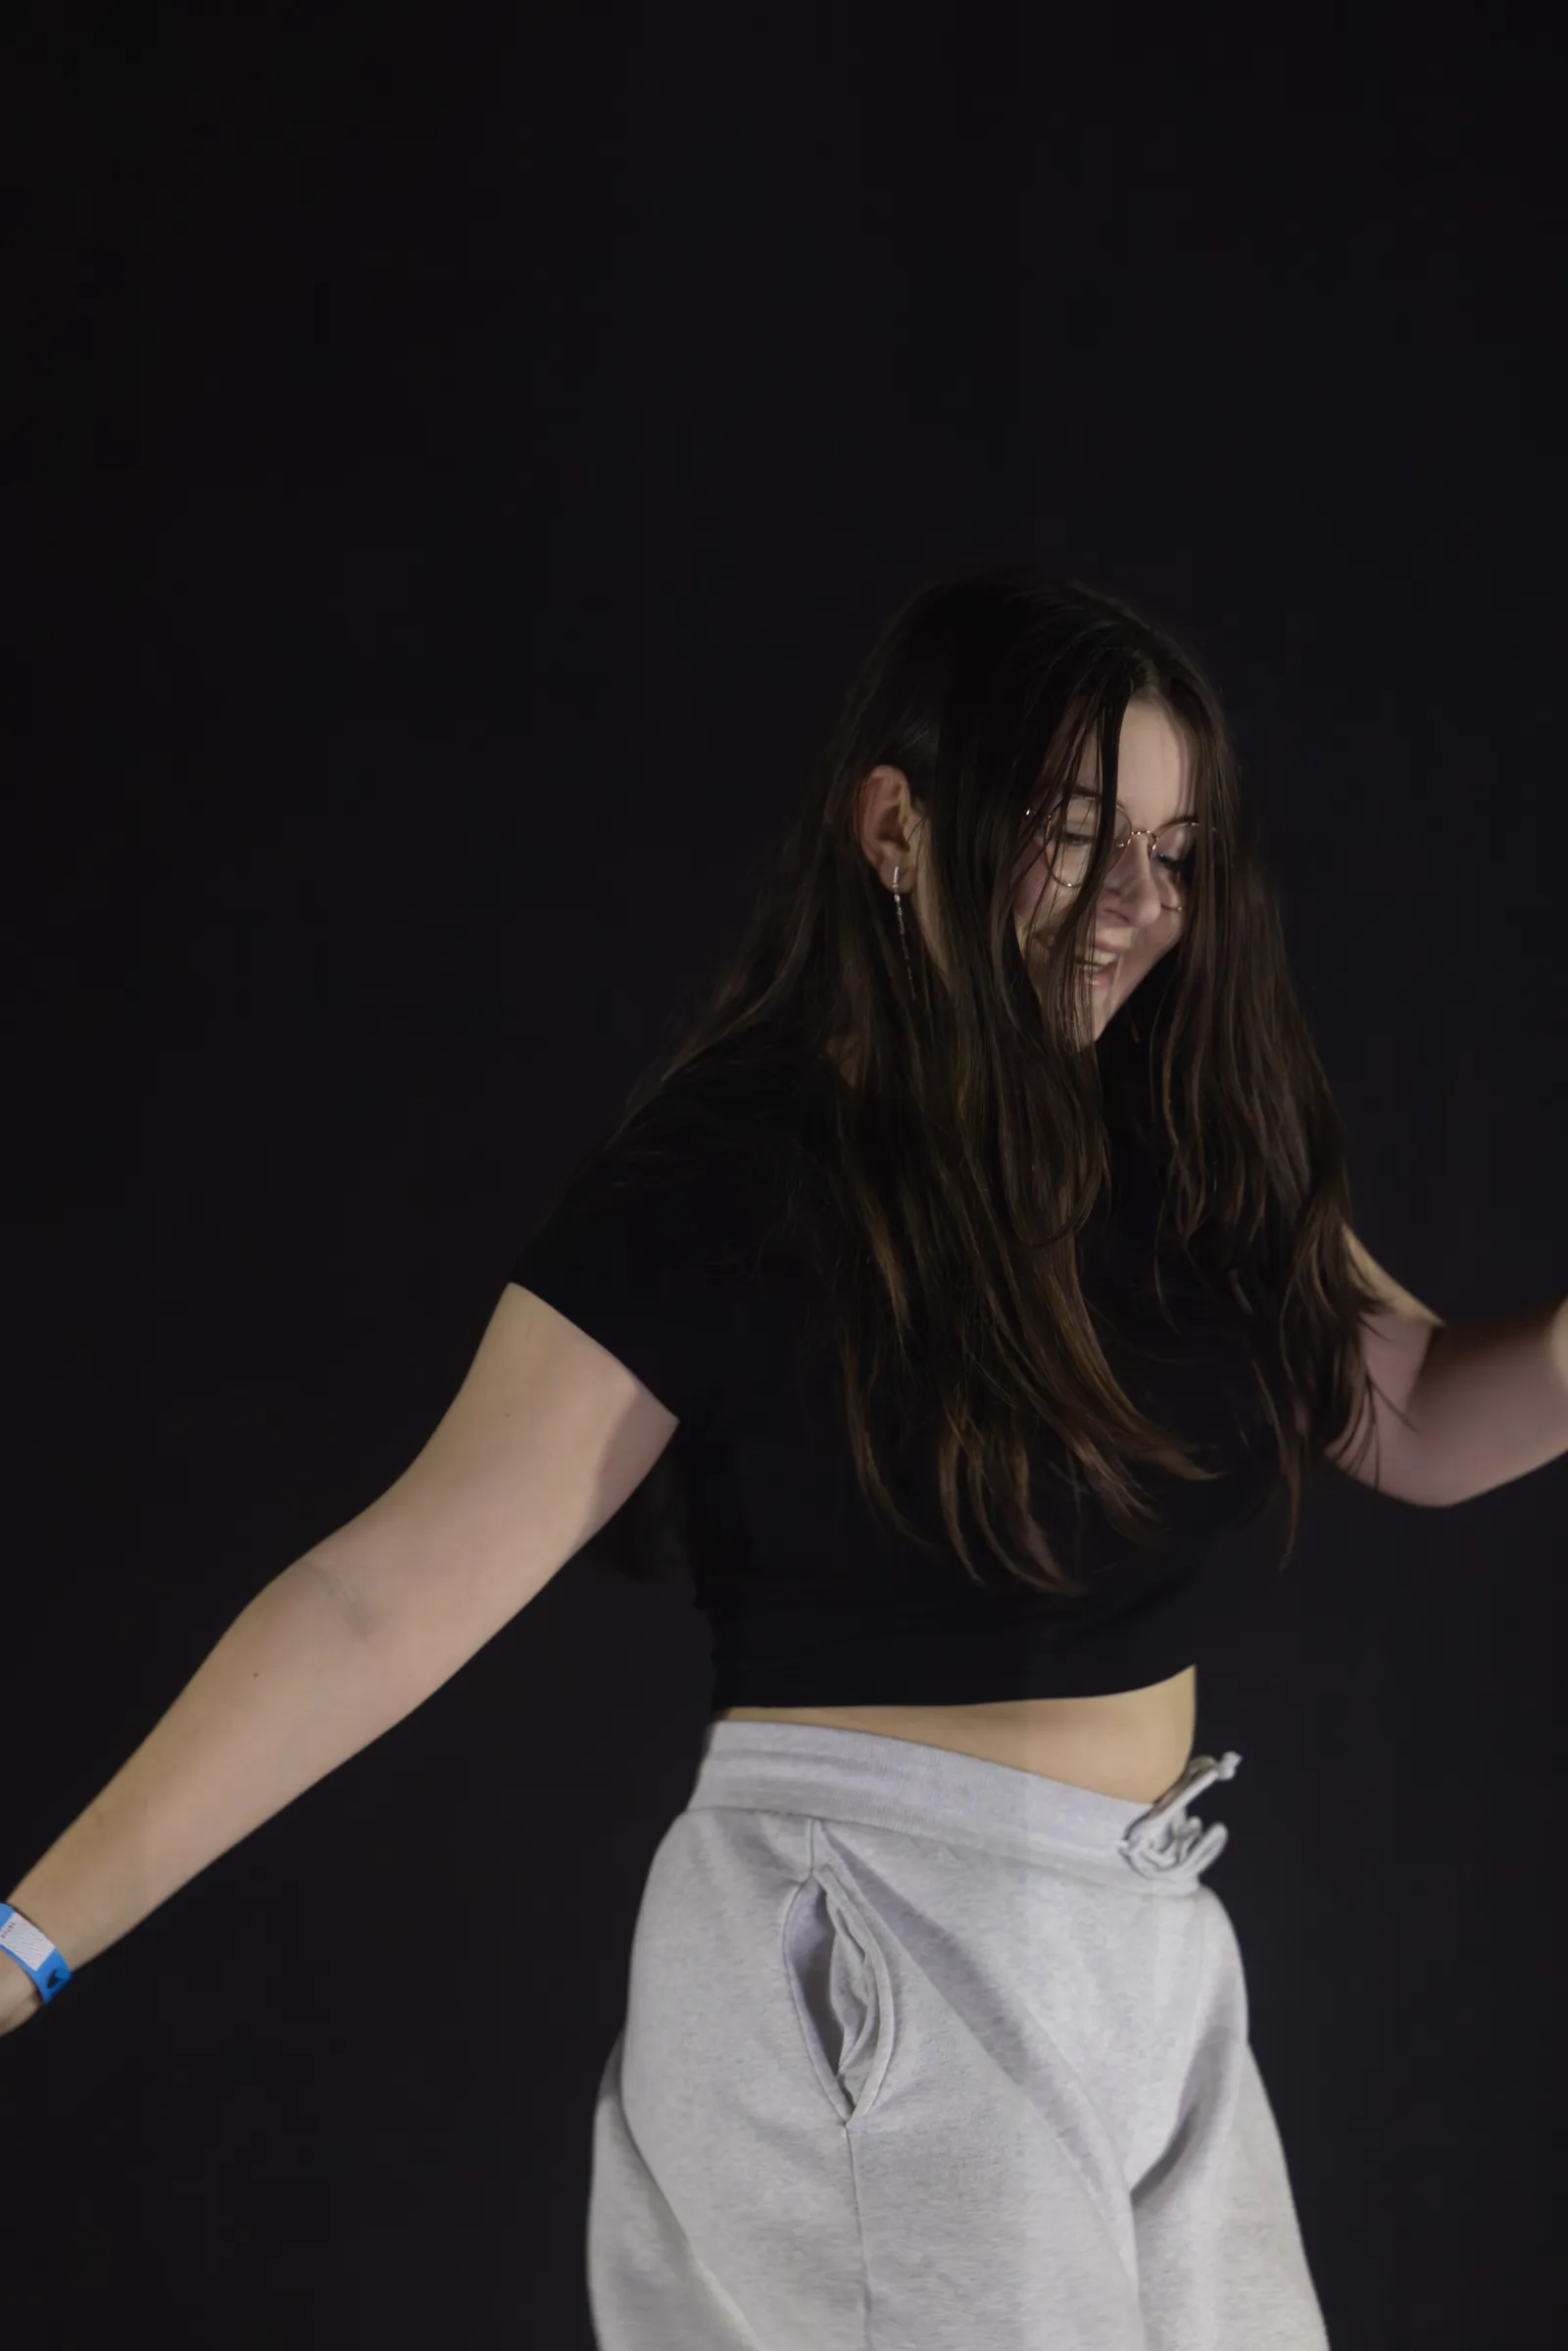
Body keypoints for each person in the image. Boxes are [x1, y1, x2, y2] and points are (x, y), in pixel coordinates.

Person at [4, 571, 1564, 2351]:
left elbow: (1416, 1412)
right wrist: (24, 1945)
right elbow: (386, 1597)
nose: (1141, 904)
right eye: (1073, 837)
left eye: (1177, 851)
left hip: (1145, 1942)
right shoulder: (748, 1165)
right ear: (895, 828)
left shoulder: (1186, 1137)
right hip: (874, 1943)